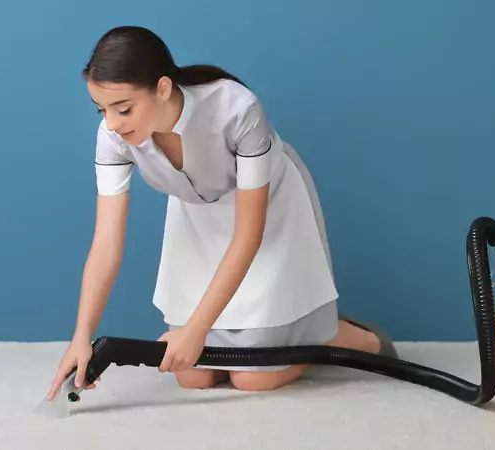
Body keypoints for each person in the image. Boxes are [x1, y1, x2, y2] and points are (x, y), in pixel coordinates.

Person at [47, 25, 395, 399]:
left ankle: (335, 334)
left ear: (162, 89)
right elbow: (107, 242)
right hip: (196, 222)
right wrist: (81, 337)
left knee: (252, 379)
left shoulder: (237, 110)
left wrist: (196, 331)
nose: (112, 123)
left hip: (268, 213)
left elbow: (249, 234)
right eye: (102, 109)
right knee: (192, 376)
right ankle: (255, 339)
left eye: (124, 108)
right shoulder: (113, 136)